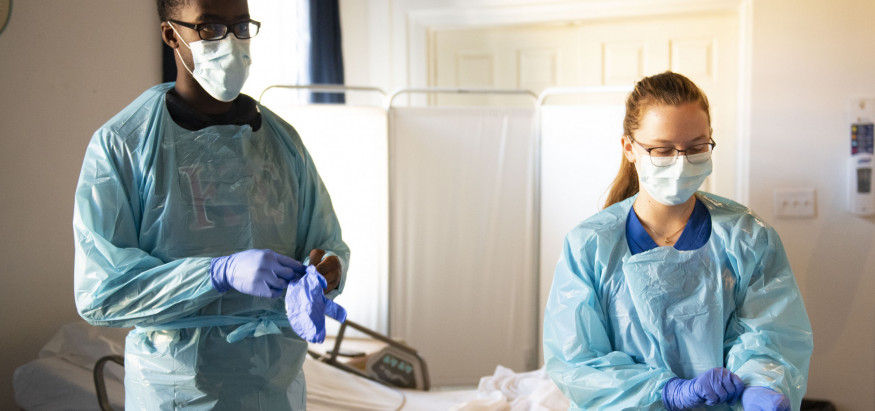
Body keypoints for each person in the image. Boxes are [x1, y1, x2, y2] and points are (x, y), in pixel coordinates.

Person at [72, 0, 349, 409]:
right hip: (176, 390)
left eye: (241, 26)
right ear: (171, 34)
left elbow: (326, 241)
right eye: (210, 28)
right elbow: (102, 293)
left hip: (275, 388)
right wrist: (216, 274)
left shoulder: (283, 143)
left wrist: (326, 273)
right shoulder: (124, 145)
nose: (232, 42)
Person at [542, 72, 813, 411]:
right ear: (629, 148)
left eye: (697, 147)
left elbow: (772, 338)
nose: (681, 162)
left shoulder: (747, 239)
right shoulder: (590, 247)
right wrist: (667, 392)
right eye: (663, 150)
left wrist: (760, 386)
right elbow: (577, 363)